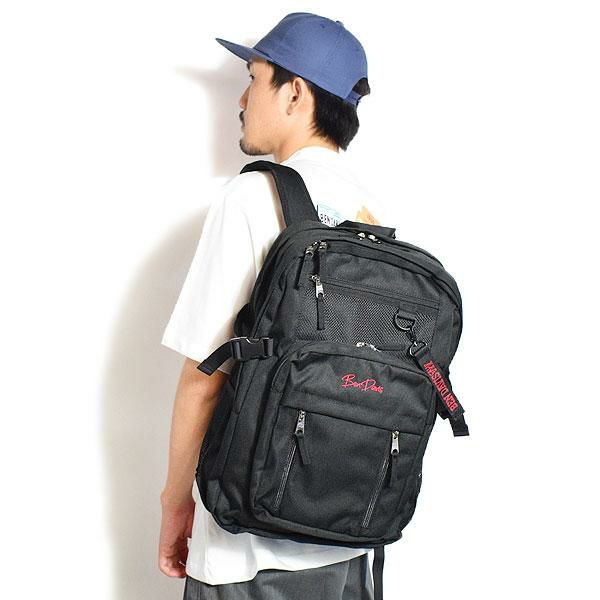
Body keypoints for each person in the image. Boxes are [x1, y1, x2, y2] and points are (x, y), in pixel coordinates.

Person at [159, 12, 391, 600]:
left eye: (253, 79)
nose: (242, 99)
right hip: (348, 541)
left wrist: (174, 502)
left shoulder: (251, 196)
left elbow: (204, 376)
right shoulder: (373, 214)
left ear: (294, 93)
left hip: (245, 548)